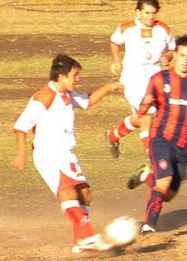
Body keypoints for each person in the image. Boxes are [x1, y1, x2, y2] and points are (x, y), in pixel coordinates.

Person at [11, 54, 124, 253]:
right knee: (68, 192)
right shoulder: (44, 96)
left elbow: (88, 101)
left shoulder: (66, 94)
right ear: (61, 76)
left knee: (85, 194)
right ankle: (89, 235)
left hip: (66, 153)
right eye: (75, 75)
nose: (78, 79)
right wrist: (21, 154)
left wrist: (108, 88)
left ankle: (79, 241)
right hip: (48, 154)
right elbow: (21, 126)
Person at [127, 35, 187, 234]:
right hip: (162, 140)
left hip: (183, 147)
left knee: (168, 194)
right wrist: (143, 108)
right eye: (182, 55)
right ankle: (149, 227)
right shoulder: (159, 79)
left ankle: (146, 175)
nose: (185, 60)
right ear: (175, 55)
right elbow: (145, 105)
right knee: (164, 182)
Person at [106, 0, 175, 163]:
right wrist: (116, 60)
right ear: (138, 12)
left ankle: (114, 135)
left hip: (156, 76)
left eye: (153, 13)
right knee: (147, 116)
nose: (150, 17)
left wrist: (168, 57)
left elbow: (172, 48)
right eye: (146, 13)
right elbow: (114, 42)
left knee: (142, 117)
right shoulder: (127, 28)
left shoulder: (163, 29)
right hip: (133, 78)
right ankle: (152, 158)